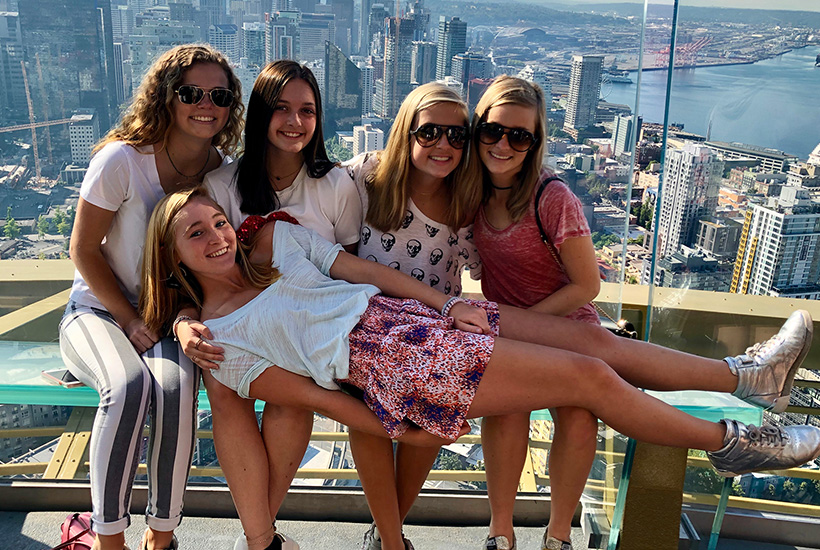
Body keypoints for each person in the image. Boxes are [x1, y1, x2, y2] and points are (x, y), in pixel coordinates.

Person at [143, 187, 820, 550]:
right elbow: (305, 395)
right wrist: (389, 428)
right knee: (591, 382)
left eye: (215, 221)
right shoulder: (219, 341)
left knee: (594, 347)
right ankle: (735, 444)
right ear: (172, 258)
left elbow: (367, 272)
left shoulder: (274, 239)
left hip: (417, 321)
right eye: (194, 233)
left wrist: (451, 303)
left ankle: (746, 373)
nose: (217, 236)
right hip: (397, 367)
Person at [59, 44, 243, 550]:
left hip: (165, 318)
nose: (206, 104)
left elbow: (201, 269)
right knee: (126, 387)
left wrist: (180, 319)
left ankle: (161, 537)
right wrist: (128, 317)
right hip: (96, 311)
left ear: (231, 107)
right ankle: (108, 539)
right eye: (191, 92)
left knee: (175, 390)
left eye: (220, 95)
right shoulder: (122, 160)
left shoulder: (219, 174)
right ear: (167, 96)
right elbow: (82, 248)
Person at [180, 60, 361, 550]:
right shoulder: (222, 185)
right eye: (280, 108)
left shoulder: (337, 185)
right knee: (222, 382)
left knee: (291, 398)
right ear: (260, 114)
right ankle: (263, 542)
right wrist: (183, 320)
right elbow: (195, 266)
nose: (295, 122)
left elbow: (345, 264)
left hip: (305, 331)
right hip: (239, 326)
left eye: (307, 110)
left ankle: (259, 540)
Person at [343, 82, 482, 550]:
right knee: (368, 421)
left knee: (429, 426)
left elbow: (495, 263)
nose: (443, 144)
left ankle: (388, 535)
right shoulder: (367, 177)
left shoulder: (467, 202)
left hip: (433, 337)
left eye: (456, 135)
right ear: (407, 131)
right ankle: (391, 540)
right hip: (366, 331)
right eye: (430, 132)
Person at [470, 75, 600, 550]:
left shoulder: (553, 199)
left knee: (581, 415)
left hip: (562, 323)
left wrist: (524, 325)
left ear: (535, 142)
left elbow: (588, 285)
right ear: (477, 129)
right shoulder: (469, 190)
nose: (503, 144)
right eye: (493, 131)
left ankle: (558, 535)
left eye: (519, 136)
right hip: (508, 327)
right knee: (506, 412)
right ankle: (500, 532)